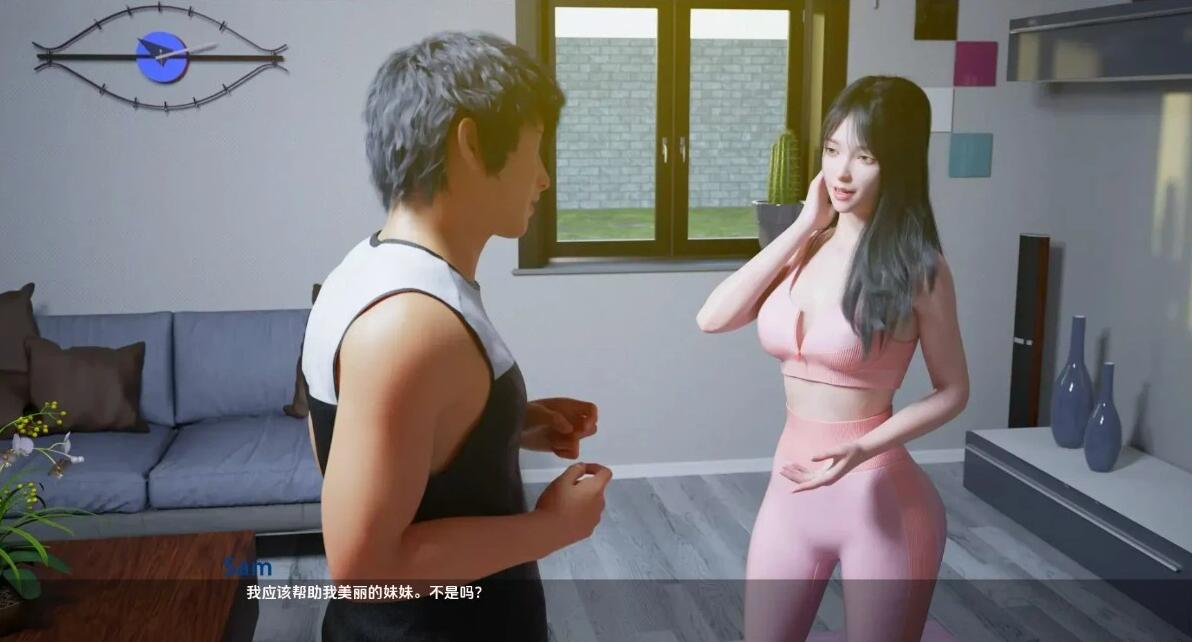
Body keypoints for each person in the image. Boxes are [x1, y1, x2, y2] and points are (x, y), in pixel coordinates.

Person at [300, 31, 612, 642]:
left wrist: (508, 422)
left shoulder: (367, 271)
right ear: (470, 144)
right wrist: (555, 527)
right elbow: (365, 570)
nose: (544, 179)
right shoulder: (409, 323)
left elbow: (377, 447)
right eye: (535, 150)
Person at [697, 75, 970, 642]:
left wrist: (864, 446)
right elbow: (713, 318)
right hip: (790, 494)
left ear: (896, 163)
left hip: (879, 501)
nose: (842, 173)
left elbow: (953, 390)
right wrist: (802, 223)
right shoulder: (805, 246)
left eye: (864, 157)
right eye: (832, 150)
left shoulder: (920, 267)